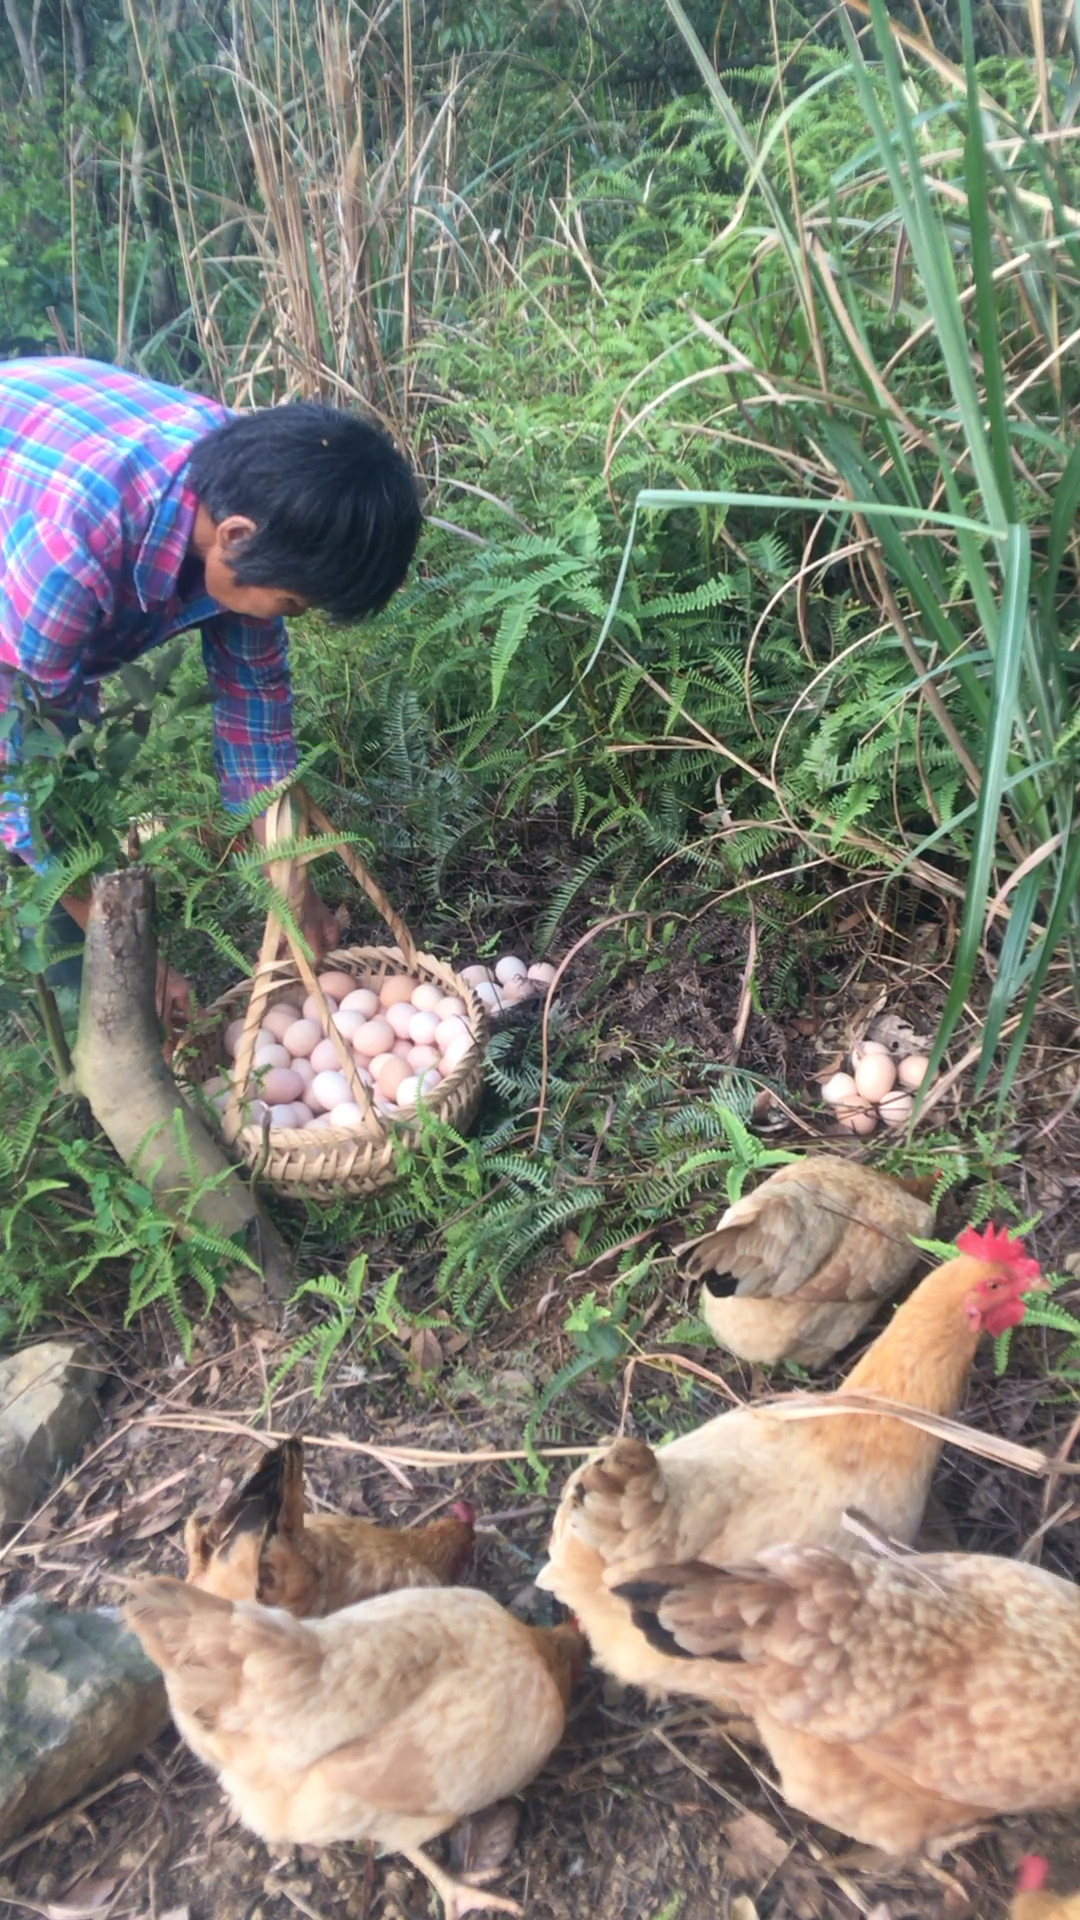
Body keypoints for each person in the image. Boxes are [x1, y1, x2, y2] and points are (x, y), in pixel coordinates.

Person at [0, 357, 422, 1026]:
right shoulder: (70, 550)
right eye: (292, 603)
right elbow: (25, 766)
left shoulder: (264, 496)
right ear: (234, 538)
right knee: (47, 795)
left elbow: (255, 705)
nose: (290, 618)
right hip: (29, 507)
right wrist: (125, 956)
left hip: (59, 448)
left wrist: (291, 885)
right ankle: (88, 1019)